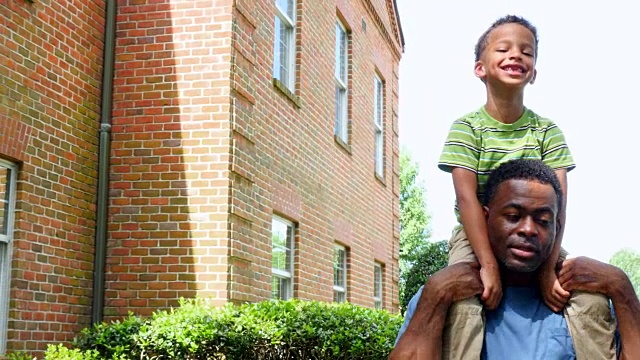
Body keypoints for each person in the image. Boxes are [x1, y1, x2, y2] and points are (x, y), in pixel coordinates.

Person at [436, 15, 614, 359]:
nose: (516, 55)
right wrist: (487, 264)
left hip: (539, 238)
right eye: (503, 49)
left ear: (533, 74)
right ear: (480, 68)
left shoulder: (547, 131)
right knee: (461, 304)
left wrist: (549, 269)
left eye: (527, 52)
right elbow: (467, 198)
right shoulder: (466, 128)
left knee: (589, 299)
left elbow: (558, 205)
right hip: (477, 234)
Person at [390, 159, 640, 359]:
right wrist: (436, 293)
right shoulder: (443, 295)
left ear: (557, 226)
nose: (528, 229)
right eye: (512, 216)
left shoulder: (584, 302)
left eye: (543, 221)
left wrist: (621, 286)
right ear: (485, 218)